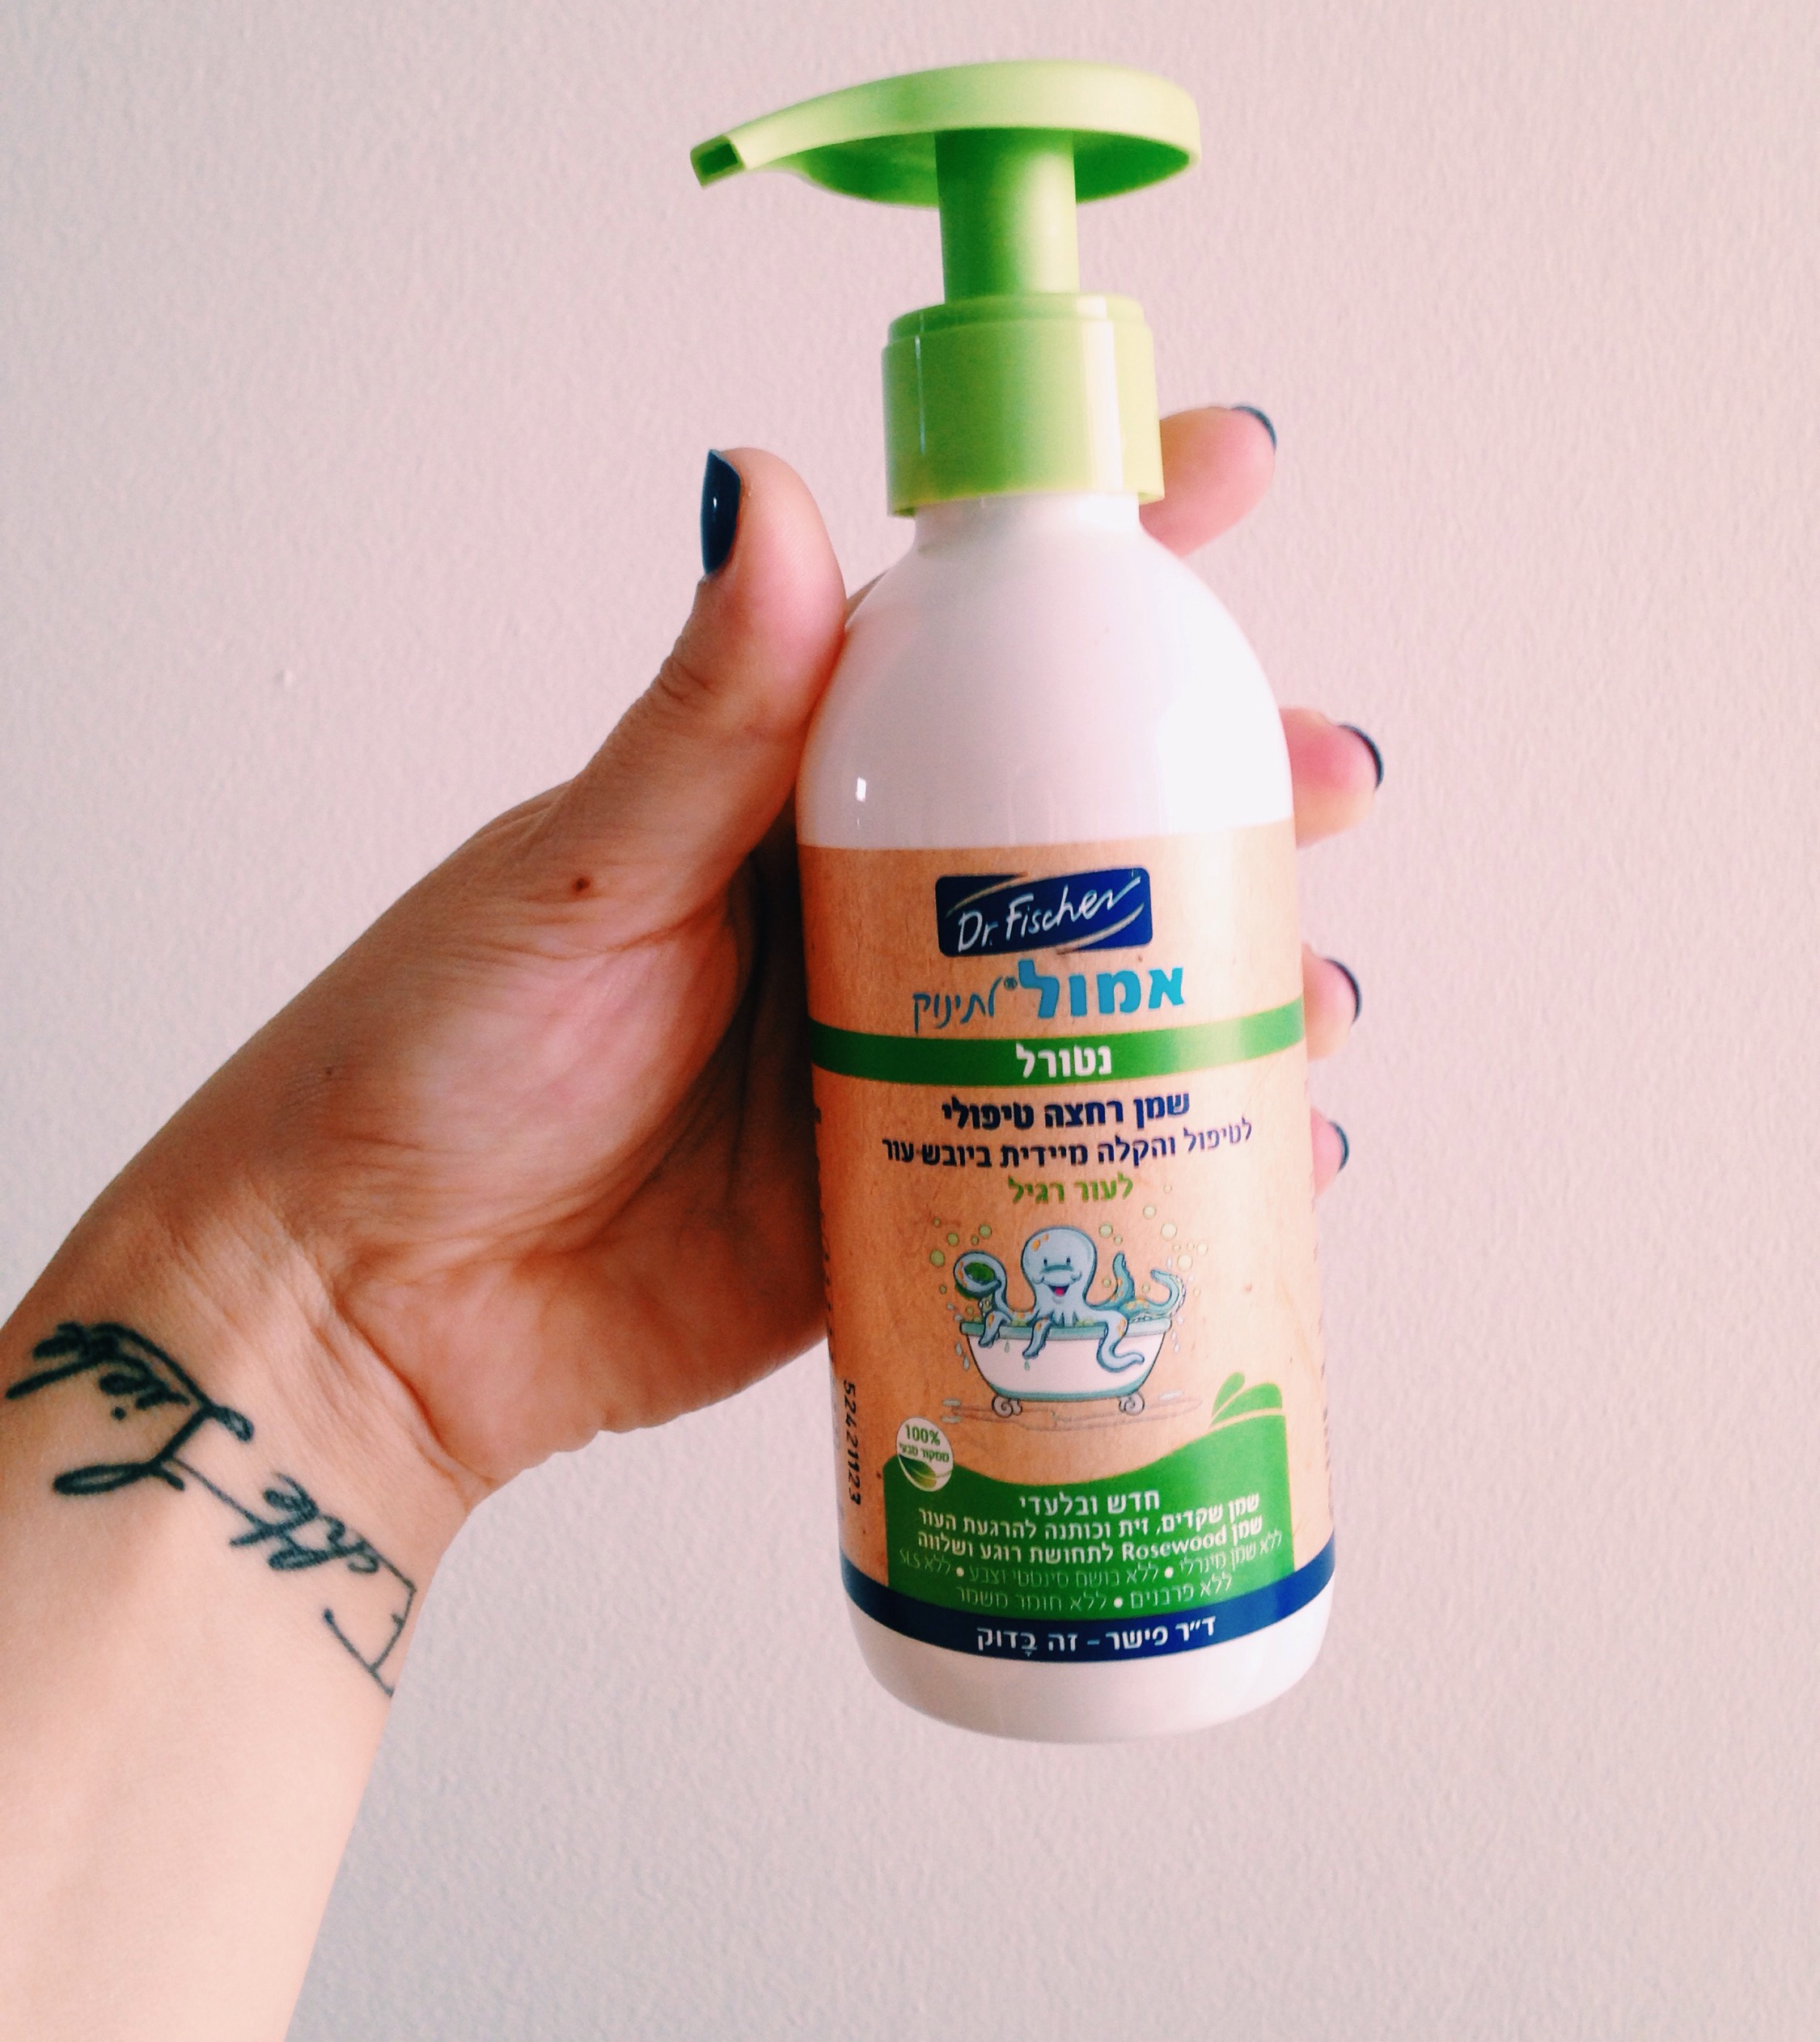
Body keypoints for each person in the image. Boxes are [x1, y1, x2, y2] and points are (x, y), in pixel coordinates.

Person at [0, 413, 1378, 2039]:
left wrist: (333, 1348)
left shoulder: (1130, 651)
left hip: (1202, 1537)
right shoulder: (912, 660)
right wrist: (336, 1330)